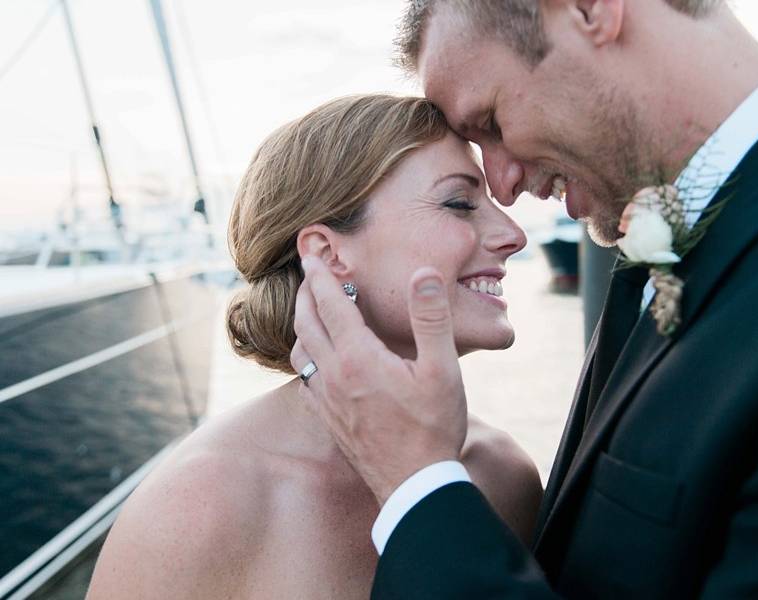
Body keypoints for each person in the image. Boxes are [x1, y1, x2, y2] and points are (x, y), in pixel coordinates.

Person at [292, 0, 758, 597]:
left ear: (589, 10)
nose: (503, 183)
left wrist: (417, 484)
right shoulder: (668, 243)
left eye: (493, 123)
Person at [86, 94, 542, 599]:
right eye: (459, 203)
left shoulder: (501, 477)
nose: (513, 235)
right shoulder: (196, 507)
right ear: (327, 254)